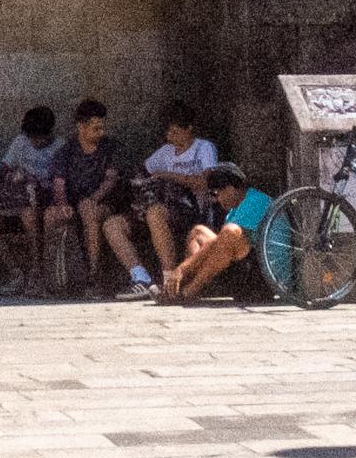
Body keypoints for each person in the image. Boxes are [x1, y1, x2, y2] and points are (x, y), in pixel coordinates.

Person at [50, 99, 152, 296]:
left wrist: (93, 199)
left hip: (105, 203)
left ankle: (93, 274)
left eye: (102, 127)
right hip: (74, 202)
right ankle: (51, 277)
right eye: (96, 128)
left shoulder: (111, 147)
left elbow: (110, 179)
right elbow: (59, 183)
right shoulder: (66, 151)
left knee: (89, 212)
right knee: (50, 216)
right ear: (81, 126)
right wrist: (62, 205)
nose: (101, 132)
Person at [158, 165, 273, 304]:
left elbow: (224, 241)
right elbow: (217, 246)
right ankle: (178, 288)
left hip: (265, 278)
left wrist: (183, 268)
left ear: (230, 189)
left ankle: (188, 292)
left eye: (216, 193)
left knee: (229, 233)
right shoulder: (237, 208)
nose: (216, 199)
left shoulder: (255, 200)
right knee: (198, 232)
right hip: (245, 267)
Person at [138, 107, 221, 277]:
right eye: (168, 132)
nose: (170, 137)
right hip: (172, 207)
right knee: (154, 213)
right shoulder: (166, 152)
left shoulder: (203, 148)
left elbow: (204, 182)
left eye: (175, 132)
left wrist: (169, 175)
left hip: (197, 208)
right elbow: (144, 170)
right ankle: (168, 275)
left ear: (189, 128)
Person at [0, 105, 62, 291]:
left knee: (28, 214)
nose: (34, 142)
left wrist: (36, 181)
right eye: (31, 137)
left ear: (49, 133)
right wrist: (9, 178)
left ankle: (36, 270)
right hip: (16, 197)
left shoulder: (59, 148)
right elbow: (3, 168)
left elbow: (59, 183)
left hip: (43, 200)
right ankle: (14, 272)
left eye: (39, 137)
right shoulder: (20, 142)